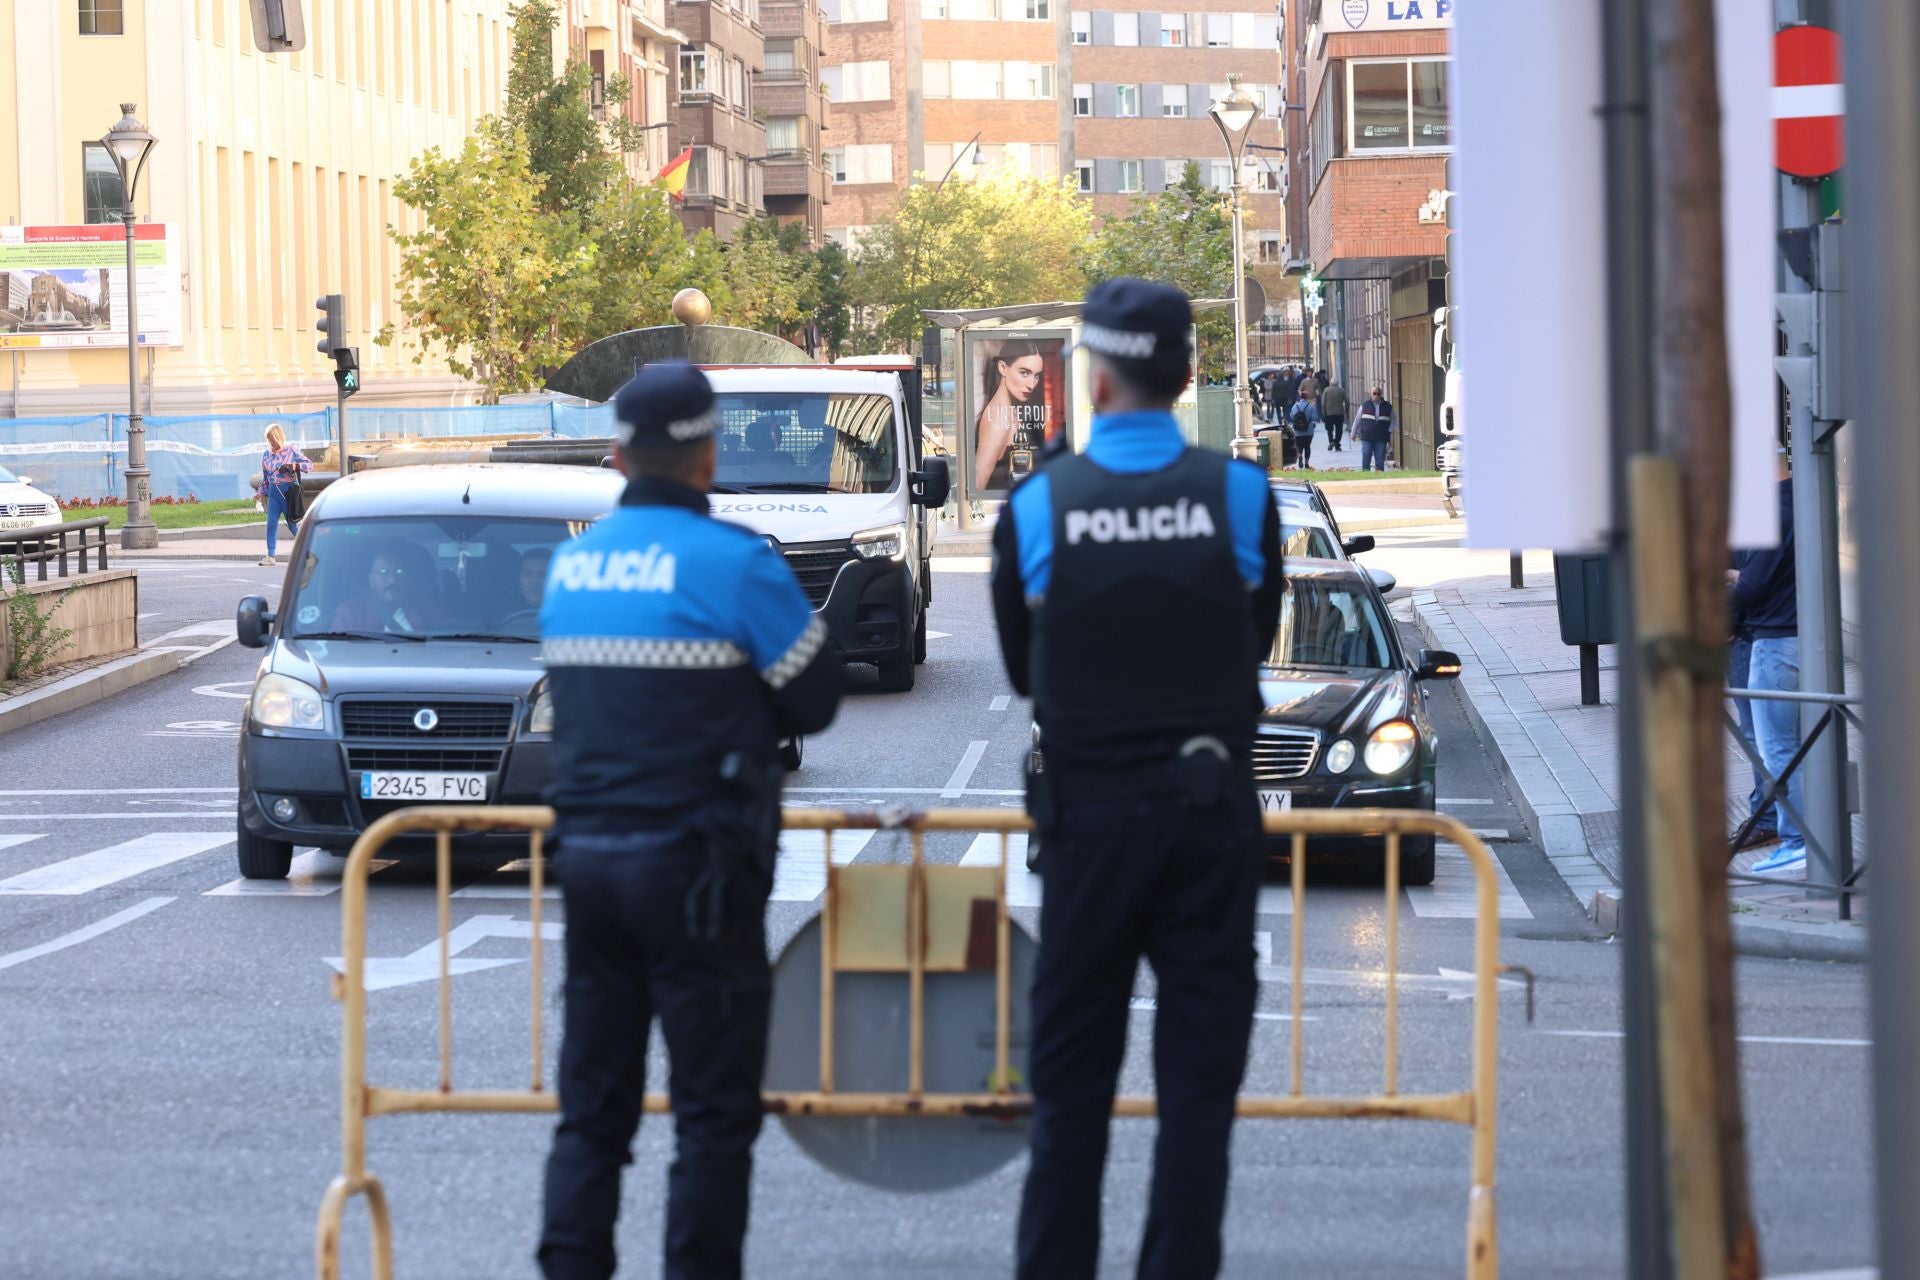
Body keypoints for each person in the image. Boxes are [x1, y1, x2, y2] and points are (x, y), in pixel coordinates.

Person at [990, 278, 1286, 1280]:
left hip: (1089, 826)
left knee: (1069, 1096)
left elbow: (1025, 668)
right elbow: (1254, 637)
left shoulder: (1038, 505)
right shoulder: (1243, 494)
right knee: (1198, 1103)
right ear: (1188, 371)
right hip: (1211, 823)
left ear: (1098, 374)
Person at [537, 361, 844, 1280]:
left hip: (590, 862)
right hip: (702, 872)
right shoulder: (737, 561)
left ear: (619, 457)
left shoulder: (572, 563)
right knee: (712, 1114)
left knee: (593, 1111)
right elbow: (818, 697)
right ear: (708, 457)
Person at [1730, 450, 1804, 877]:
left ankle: (1796, 842)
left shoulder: (1771, 511)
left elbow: (1753, 584)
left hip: (1774, 641)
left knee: (1777, 748)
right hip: (1795, 637)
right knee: (1794, 747)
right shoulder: (1802, 501)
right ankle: (1804, 841)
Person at [1727, 578, 1778, 852]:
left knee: (1759, 733)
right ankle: (1768, 816)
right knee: (1762, 732)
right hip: (1751, 631)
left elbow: (1747, 580)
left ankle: (1769, 819)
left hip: (1747, 634)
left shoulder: (1748, 534)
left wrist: (1727, 622)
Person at [974, 339, 1050, 493]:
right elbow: (978, 482)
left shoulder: (1007, 411)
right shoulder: (999, 417)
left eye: (1036, 375)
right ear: (1002, 367)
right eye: (1024, 373)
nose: (1031, 384)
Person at [329, 546, 448, 634]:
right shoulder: (350, 612)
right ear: (371, 580)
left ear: (408, 579)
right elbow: (336, 649)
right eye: (384, 573)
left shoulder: (429, 609)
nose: (392, 580)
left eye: (399, 572)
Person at [259, 422, 311, 567]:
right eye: (268, 439)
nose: (270, 442)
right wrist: (259, 494)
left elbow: (309, 465)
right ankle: (270, 555)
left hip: (287, 493)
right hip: (273, 494)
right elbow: (265, 478)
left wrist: (293, 466)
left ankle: (309, 551)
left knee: (292, 525)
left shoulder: (291, 450)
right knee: (271, 524)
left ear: (278, 437)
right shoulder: (266, 455)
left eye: (272, 438)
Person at [1355, 386, 1394, 473]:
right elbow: (1357, 419)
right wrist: (1353, 432)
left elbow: (1393, 420)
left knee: (1380, 458)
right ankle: (1365, 474)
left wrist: (1390, 430)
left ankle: (1379, 476)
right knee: (1366, 454)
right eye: (1374, 393)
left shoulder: (1388, 406)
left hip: (1381, 437)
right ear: (1371, 394)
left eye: (1378, 394)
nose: (1376, 395)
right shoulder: (1365, 405)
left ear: (1381, 395)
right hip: (1367, 436)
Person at [1287, 388, 1320, 470]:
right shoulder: (1311, 406)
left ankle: (1300, 456)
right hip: (1309, 430)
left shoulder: (1295, 406)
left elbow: (1291, 416)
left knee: (1299, 446)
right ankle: (1306, 463)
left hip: (1298, 431)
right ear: (1307, 397)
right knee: (1307, 446)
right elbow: (1315, 417)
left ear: (1300, 397)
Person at [1320, 375, 1349, 452]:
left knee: (1329, 429)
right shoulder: (1341, 390)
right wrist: (1346, 411)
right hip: (1339, 413)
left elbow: (1323, 403)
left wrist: (1323, 412)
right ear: (1337, 383)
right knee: (1339, 430)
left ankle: (1331, 441)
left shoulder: (1326, 390)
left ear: (1330, 383)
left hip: (1329, 414)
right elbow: (1347, 401)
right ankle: (1337, 444)